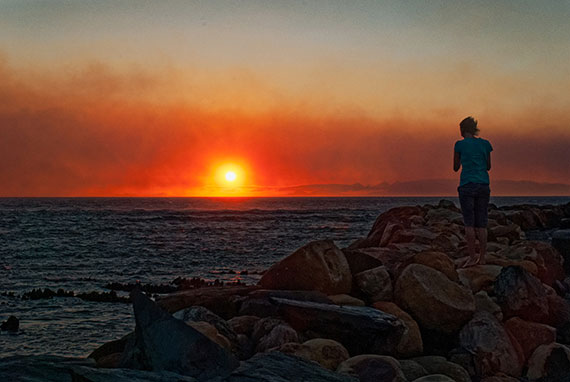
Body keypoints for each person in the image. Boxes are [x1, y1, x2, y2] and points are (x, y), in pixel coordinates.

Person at [453, 116, 493, 267]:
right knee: (481, 223)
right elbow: (488, 166)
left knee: (469, 223)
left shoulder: (459, 145)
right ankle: (482, 258)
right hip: (483, 184)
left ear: (463, 130)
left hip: (467, 184)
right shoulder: (486, 144)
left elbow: (456, 167)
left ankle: (471, 257)